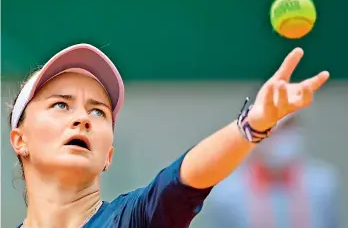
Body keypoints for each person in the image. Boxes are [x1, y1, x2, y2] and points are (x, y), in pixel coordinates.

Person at [8, 43, 329, 228]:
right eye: (61, 104)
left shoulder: (132, 221)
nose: (82, 118)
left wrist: (251, 125)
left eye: (97, 112)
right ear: (19, 139)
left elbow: (182, 182)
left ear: (109, 155)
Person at [196, 115, 340, 228]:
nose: (281, 136)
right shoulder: (226, 193)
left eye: (287, 127)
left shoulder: (323, 184)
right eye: (272, 128)